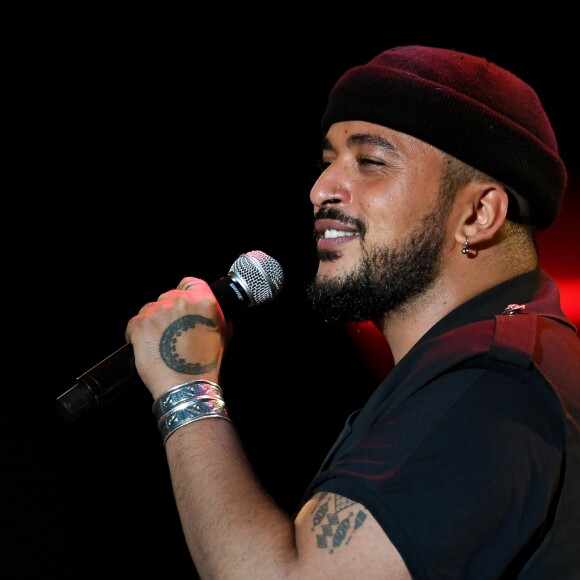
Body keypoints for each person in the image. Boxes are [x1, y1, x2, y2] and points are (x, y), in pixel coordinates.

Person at [125, 45, 580, 579]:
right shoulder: (509, 365)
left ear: (479, 214)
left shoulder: (493, 385)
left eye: (370, 161)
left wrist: (187, 389)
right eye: (327, 163)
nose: (320, 190)